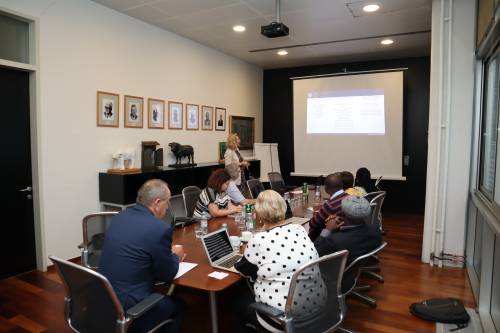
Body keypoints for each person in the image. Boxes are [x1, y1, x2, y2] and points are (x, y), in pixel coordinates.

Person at [99, 179, 185, 333]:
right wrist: (176, 256)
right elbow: (167, 274)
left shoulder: (120, 217)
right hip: (129, 309)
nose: (168, 207)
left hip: (103, 299)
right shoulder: (159, 229)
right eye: (168, 202)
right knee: (179, 306)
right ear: (157, 203)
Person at [235, 190, 326, 332]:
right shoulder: (299, 229)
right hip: (317, 305)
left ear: (259, 215)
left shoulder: (259, 239)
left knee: (238, 301)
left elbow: (244, 271)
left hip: (284, 319)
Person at [314, 195, 382, 263]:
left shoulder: (334, 240)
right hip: (362, 263)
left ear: (343, 213)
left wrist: (327, 230)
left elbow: (315, 253)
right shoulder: (376, 229)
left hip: (337, 271)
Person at [308, 172, 349, 241]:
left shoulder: (330, 205)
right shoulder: (350, 197)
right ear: (342, 185)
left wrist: (316, 214)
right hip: (346, 236)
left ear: (326, 188)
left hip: (330, 240)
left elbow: (312, 224)